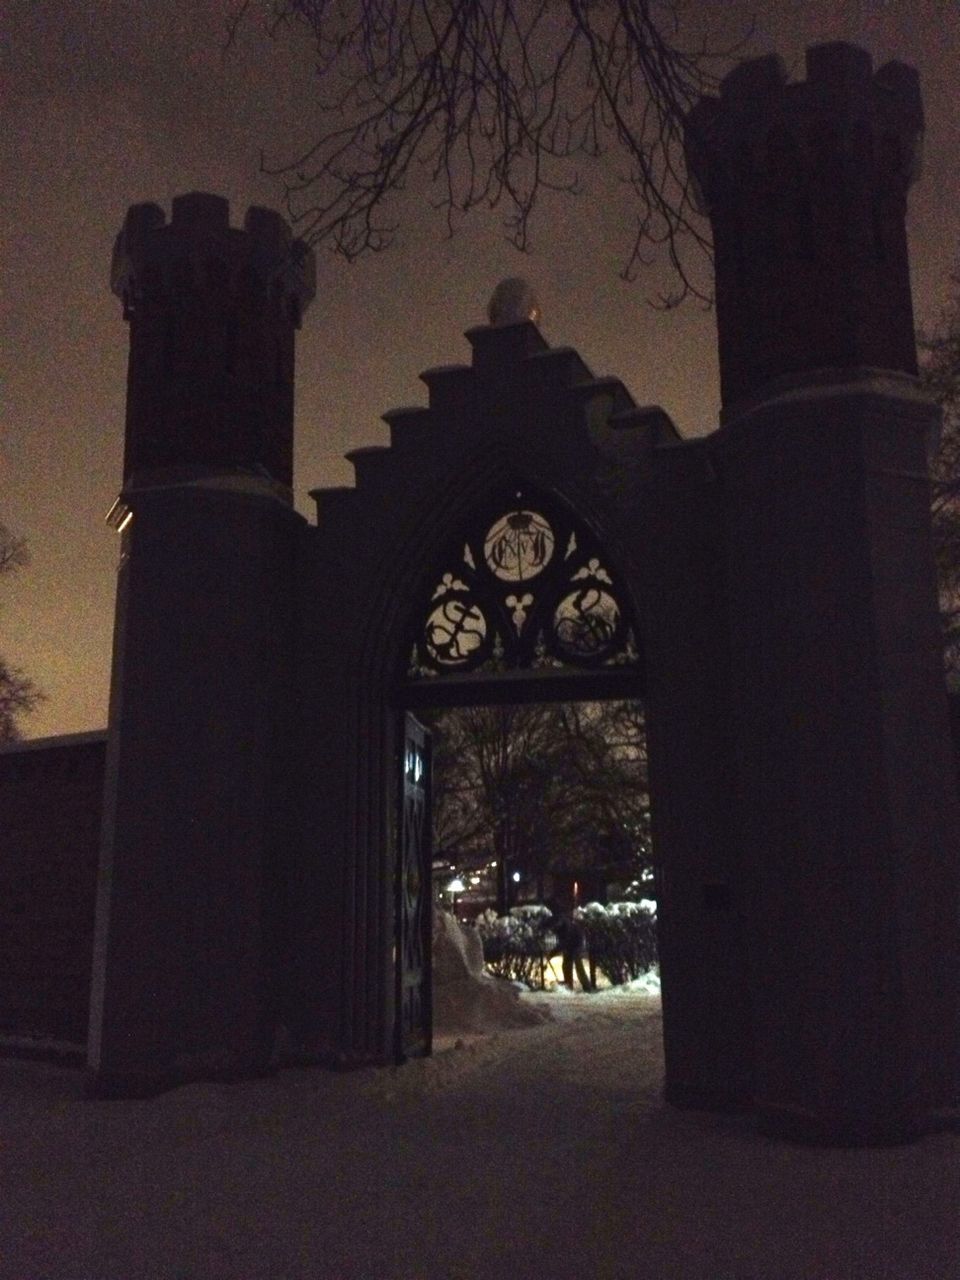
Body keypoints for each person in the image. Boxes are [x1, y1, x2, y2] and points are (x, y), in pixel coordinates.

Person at [546, 905, 595, 992]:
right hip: (569, 944)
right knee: (566, 964)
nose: (552, 930)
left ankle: (587, 987)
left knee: (578, 965)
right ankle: (568, 985)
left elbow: (563, 943)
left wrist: (552, 954)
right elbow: (562, 943)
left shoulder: (566, 927)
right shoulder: (558, 926)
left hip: (577, 943)